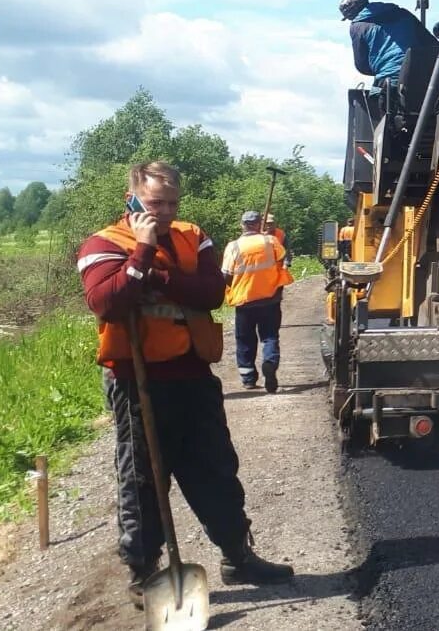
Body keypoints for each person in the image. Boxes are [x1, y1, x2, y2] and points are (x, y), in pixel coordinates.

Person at [76, 161, 293, 609]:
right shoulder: (102, 244)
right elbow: (108, 302)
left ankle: (237, 555)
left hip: (193, 376)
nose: (166, 212)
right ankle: (143, 573)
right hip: (138, 382)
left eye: (172, 203)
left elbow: (213, 293)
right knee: (143, 479)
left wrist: (155, 278)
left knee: (216, 468)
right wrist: (142, 251)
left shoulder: (195, 236)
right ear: (132, 199)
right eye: (157, 204)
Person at [223, 210, 293, 392]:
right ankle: (269, 362)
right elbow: (282, 259)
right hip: (270, 298)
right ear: (259, 224)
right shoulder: (270, 241)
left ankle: (248, 379)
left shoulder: (234, 246)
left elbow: (226, 275)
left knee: (245, 339)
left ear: (242, 225)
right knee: (270, 336)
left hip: (244, 301)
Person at [340, 0, 438, 83]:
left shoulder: (357, 27)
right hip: (425, 74)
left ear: (350, 15)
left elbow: (362, 65)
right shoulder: (401, 12)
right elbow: (431, 43)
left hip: (390, 81)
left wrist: (383, 69)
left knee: (374, 96)